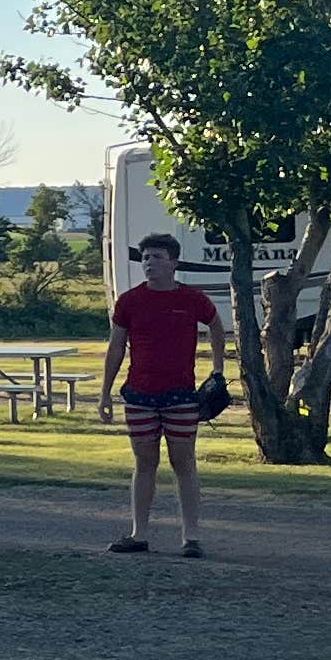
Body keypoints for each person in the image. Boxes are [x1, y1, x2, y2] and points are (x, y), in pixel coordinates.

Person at [97, 230, 225, 557]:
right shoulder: (129, 301)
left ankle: (191, 537)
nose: (149, 264)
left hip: (181, 395)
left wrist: (218, 371)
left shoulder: (192, 299)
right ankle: (139, 534)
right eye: (145, 258)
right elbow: (115, 348)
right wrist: (105, 393)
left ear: (173, 262)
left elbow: (216, 326)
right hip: (139, 394)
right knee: (145, 463)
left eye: (157, 257)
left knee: (184, 463)